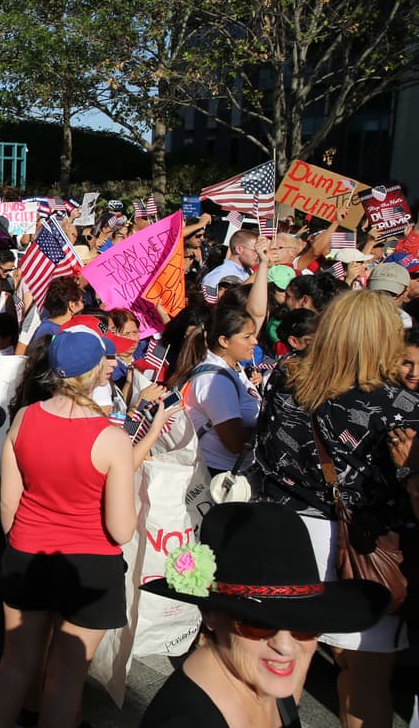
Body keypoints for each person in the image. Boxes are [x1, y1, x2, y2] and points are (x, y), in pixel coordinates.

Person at [250, 289, 417, 728]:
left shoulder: (285, 376)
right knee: (364, 675)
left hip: (283, 531)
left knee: (282, 660)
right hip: (360, 542)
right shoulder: (398, 404)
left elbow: (263, 447)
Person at [0, 323, 143, 728]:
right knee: (66, 678)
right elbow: (121, 530)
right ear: (95, 373)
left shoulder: (24, 417)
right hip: (89, 566)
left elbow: (8, 504)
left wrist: (22, 541)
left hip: (27, 553)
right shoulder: (112, 439)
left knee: (15, 662)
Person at [140, 503, 388, 728]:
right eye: (257, 624)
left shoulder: (265, 683)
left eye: (304, 626)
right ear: (210, 613)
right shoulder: (186, 721)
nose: (285, 646)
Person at [168, 306, 263, 476]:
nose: (255, 341)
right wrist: (269, 427)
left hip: (237, 469)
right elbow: (234, 443)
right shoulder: (216, 382)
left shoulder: (232, 366)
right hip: (219, 474)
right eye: (247, 336)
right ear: (224, 341)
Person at [201, 229, 261, 295]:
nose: (258, 255)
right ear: (239, 249)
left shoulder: (250, 272)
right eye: (254, 250)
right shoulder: (217, 276)